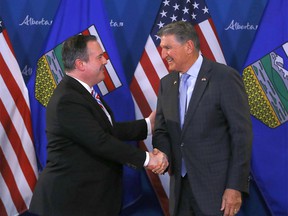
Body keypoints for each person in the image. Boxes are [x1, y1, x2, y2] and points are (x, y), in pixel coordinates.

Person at [29, 35, 168, 216]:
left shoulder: (81, 92)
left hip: (88, 200)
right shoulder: (68, 99)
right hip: (70, 203)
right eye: (99, 57)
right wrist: (149, 159)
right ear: (81, 64)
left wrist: (148, 125)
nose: (105, 60)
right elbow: (100, 141)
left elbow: (105, 130)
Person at [152, 21, 253, 216]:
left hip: (217, 191)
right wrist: (163, 153)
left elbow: (241, 136)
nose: (163, 55)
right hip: (180, 190)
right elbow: (162, 129)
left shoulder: (224, 77)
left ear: (189, 46)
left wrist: (235, 186)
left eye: (167, 48)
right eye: (162, 48)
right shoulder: (167, 83)